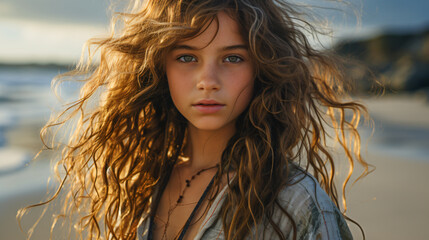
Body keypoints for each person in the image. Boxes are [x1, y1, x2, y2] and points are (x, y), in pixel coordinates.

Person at [20, 0, 371, 239]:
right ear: (160, 69)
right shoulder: (144, 181)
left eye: (232, 58)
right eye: (187, 57)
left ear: (262, 69)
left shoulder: (294, 200)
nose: (208, 80)